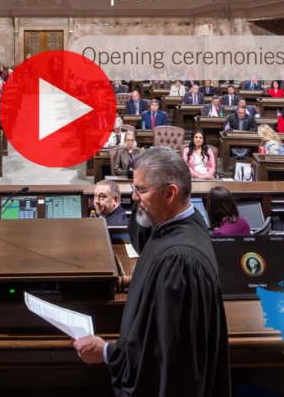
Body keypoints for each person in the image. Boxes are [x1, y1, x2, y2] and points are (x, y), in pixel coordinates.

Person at [72, 147, 230, 396]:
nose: (133, 197)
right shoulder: (184, 219)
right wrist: (143, 193)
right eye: (133, 188)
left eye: (140, 190)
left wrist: (105, 352)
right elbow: (141, 234)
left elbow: (161, 355)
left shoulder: (179, 262)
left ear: (170, 193)